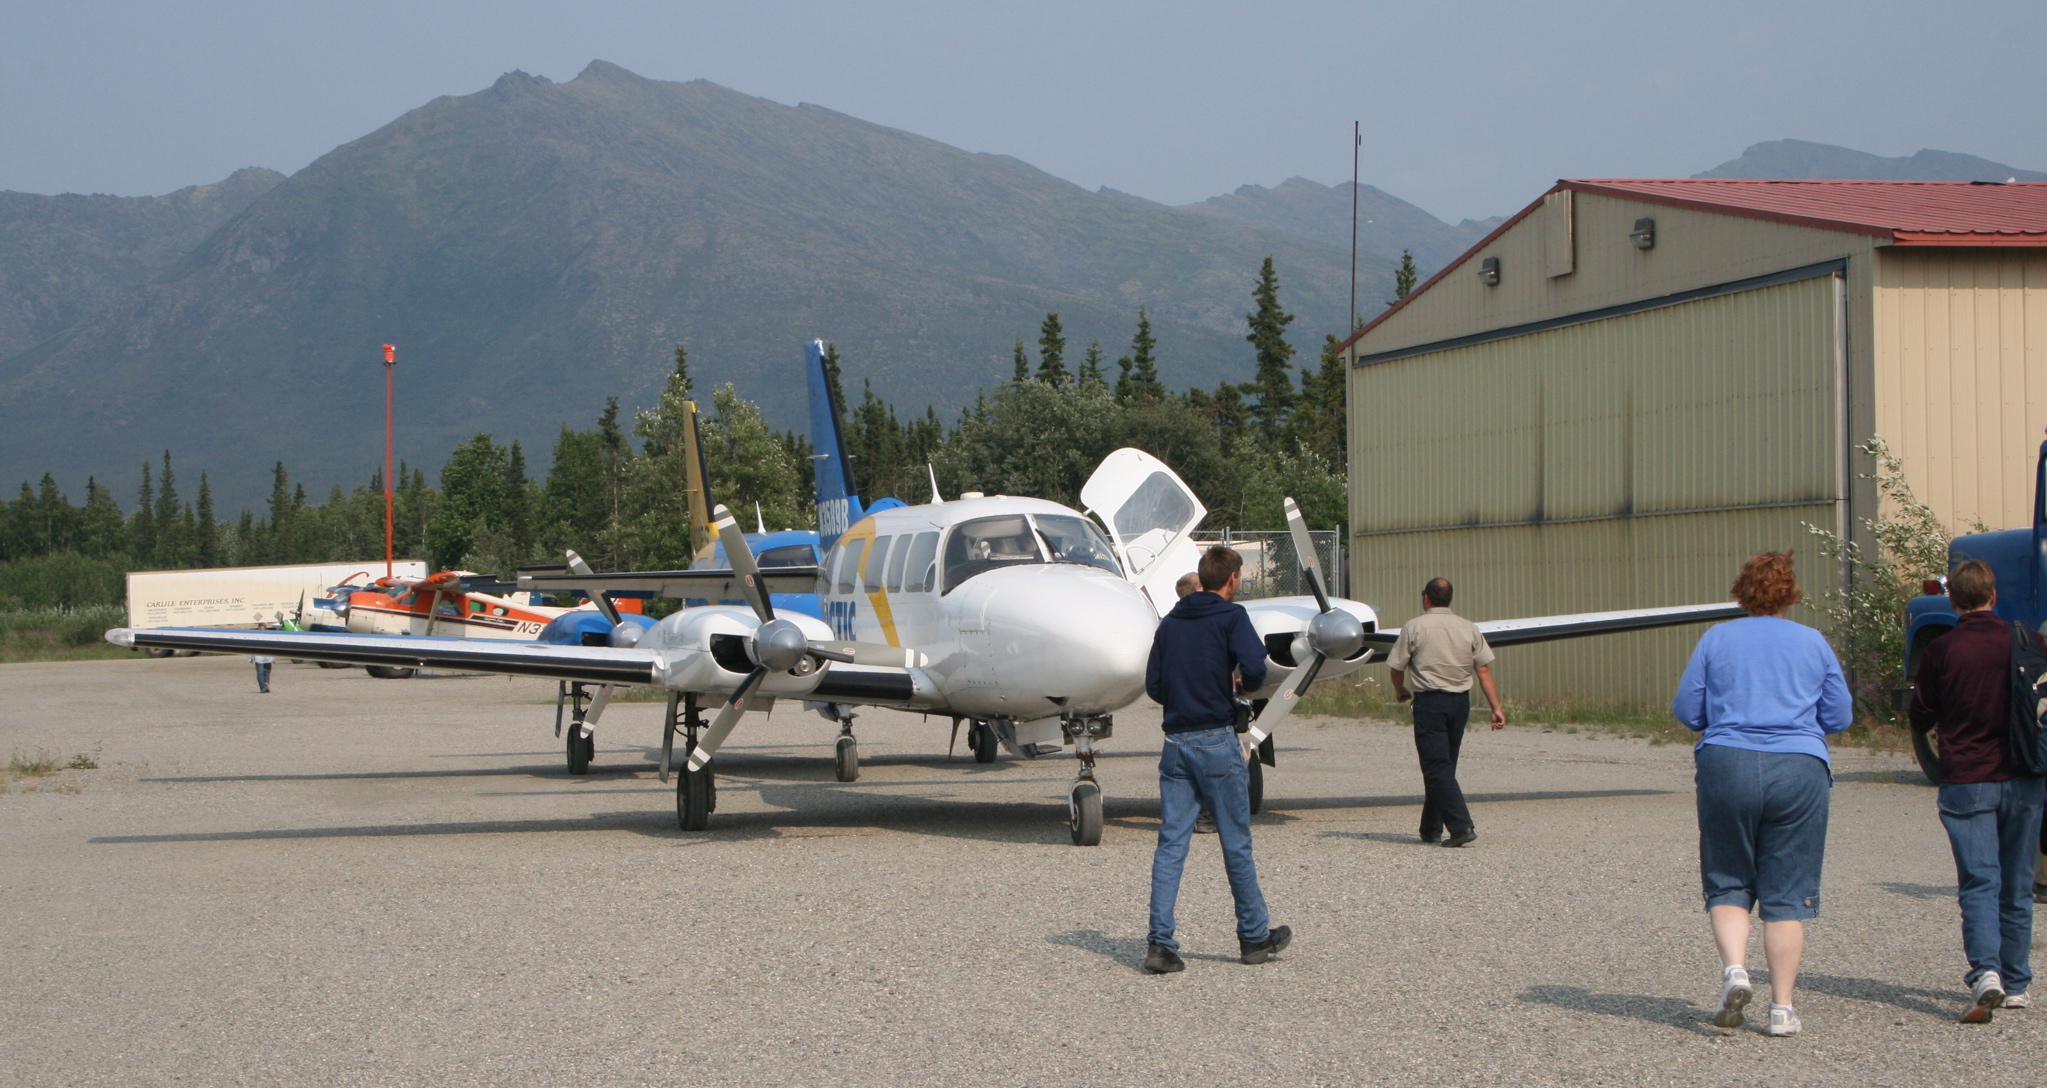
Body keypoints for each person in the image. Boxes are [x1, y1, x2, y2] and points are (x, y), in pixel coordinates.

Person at [1672, 551, 1851, 1037]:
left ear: (1742, 591)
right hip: (1799, 767)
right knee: (1787, 891)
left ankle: (1735, 970)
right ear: (1791, 593)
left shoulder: (1717, 638)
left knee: (1728, 874)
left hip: (1726, 761)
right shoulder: (1813, 642)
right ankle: (1781, 1009)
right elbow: (1839, 716)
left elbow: (1688, 708)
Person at [1142, 545, 1290, 974]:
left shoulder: (1170, 623)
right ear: (1231, 580)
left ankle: (1160, 943)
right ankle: (1253, 937)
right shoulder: (1231, 616)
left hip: (1175, 743)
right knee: (1235, 841)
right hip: (1215, 739)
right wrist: (1239, 682)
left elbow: (1154, 683)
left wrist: (1182, 696)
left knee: (1171, 843)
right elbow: (1256, 667)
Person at [1910, 559, 2046, 1023]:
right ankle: (2018, 982)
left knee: (1979, 881)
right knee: (2018, 882)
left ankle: (1986, 972)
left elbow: (1921, 713)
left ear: (1953, 601)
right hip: (2026, 775)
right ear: (1993, 595)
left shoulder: (1943, 650)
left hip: (1968, 778)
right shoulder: (2028, 641)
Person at [1387, 577, 1504, 848]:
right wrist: (1495, 707)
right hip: (1460, 704)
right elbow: (1483, 669)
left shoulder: (1414, 627)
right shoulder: (1469, 628)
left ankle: (1461, 826)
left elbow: (1397, 667)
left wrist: (1399, 689)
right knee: (1444, 766)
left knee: (1436, 766)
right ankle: (1430, 828)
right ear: (1450, 599)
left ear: (1426, 598)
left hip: (1430, 703)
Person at [250, 622, 276, 694]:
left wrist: (274, 657)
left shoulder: (269, 636)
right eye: (261, 627)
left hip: (268, 657)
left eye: (263, 627)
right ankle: (262, 687)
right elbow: (251, 647)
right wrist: (251, 657)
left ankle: (266, 685)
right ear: (259, 628)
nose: (262, 629)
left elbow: (272, 647)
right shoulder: (255, 637)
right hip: (259, 657)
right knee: (260, 673)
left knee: (267, 672)